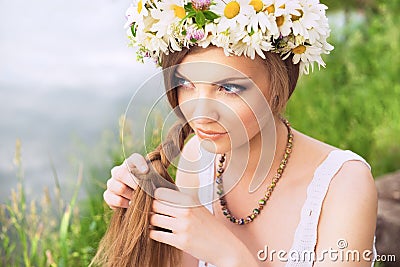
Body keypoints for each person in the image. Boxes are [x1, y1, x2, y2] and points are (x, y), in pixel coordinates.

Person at [93, 0, 378, 266]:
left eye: (228, 88)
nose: (201, 113)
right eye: (185, 83)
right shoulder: (197, 159)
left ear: (280, 86)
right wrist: (144, 207)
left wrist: (229, 254)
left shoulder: (343, 185)